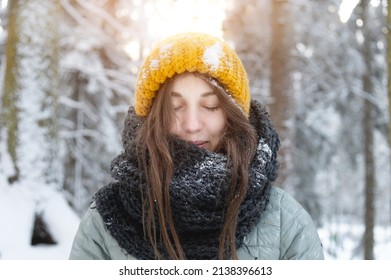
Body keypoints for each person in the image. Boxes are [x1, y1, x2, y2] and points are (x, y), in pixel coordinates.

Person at [69, 32, 324, 260]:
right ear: (153, 120)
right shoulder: (104, 224)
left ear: (231, 116)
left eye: (211, 106)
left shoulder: (286, 224)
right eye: (174, 108)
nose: (191, 125)